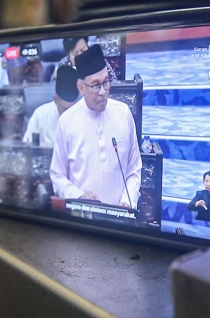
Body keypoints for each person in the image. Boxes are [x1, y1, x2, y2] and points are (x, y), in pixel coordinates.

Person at [49, 45, 141, 206]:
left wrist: (128, 200)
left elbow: (134, 169)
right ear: (81, 88)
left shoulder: (123, 113)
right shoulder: (67, 122)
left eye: (106, 82)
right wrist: (79, 196)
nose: (103, 91)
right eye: (96, 85)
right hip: (82, 219)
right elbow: (57, 176)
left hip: (119, 216)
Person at [23, 65, 80, 148]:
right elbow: (27, 148)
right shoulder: (40, 115)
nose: (69, 113)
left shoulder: (87, 117)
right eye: (65, 109)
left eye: (72, 108)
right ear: (55, 99)